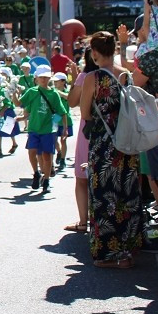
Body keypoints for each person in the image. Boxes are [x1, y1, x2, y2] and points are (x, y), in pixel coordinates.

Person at [80, 31, 142, 269]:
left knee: (104, 198)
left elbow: (85, 113)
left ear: (94, 53)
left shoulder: (92, 79)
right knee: (127, 195)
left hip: (104, 146)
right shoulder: (125, 75)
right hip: (127, 143)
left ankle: (107, 254)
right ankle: (127, 251)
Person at [16, 65, 68, 194]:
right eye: (41, 77)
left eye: (46, 77)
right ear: (36, 78)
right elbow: (19, 104)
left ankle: (46, 180)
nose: (44, 80)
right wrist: (12, 92)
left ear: (49, 78)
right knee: (31, 152)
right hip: (33, 128)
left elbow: (62, 112)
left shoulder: (53, 94)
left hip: (48, 130)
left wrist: (65, 129)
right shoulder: (32, 92)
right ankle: (36, 173)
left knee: (47, 156)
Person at [65, 48, 96, 233]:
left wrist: (77, 78)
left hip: (88, 131)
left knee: (82, 177)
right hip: (112, 130)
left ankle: (84, 222)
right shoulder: (116, 72)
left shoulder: (85, 77)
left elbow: (71, 102)